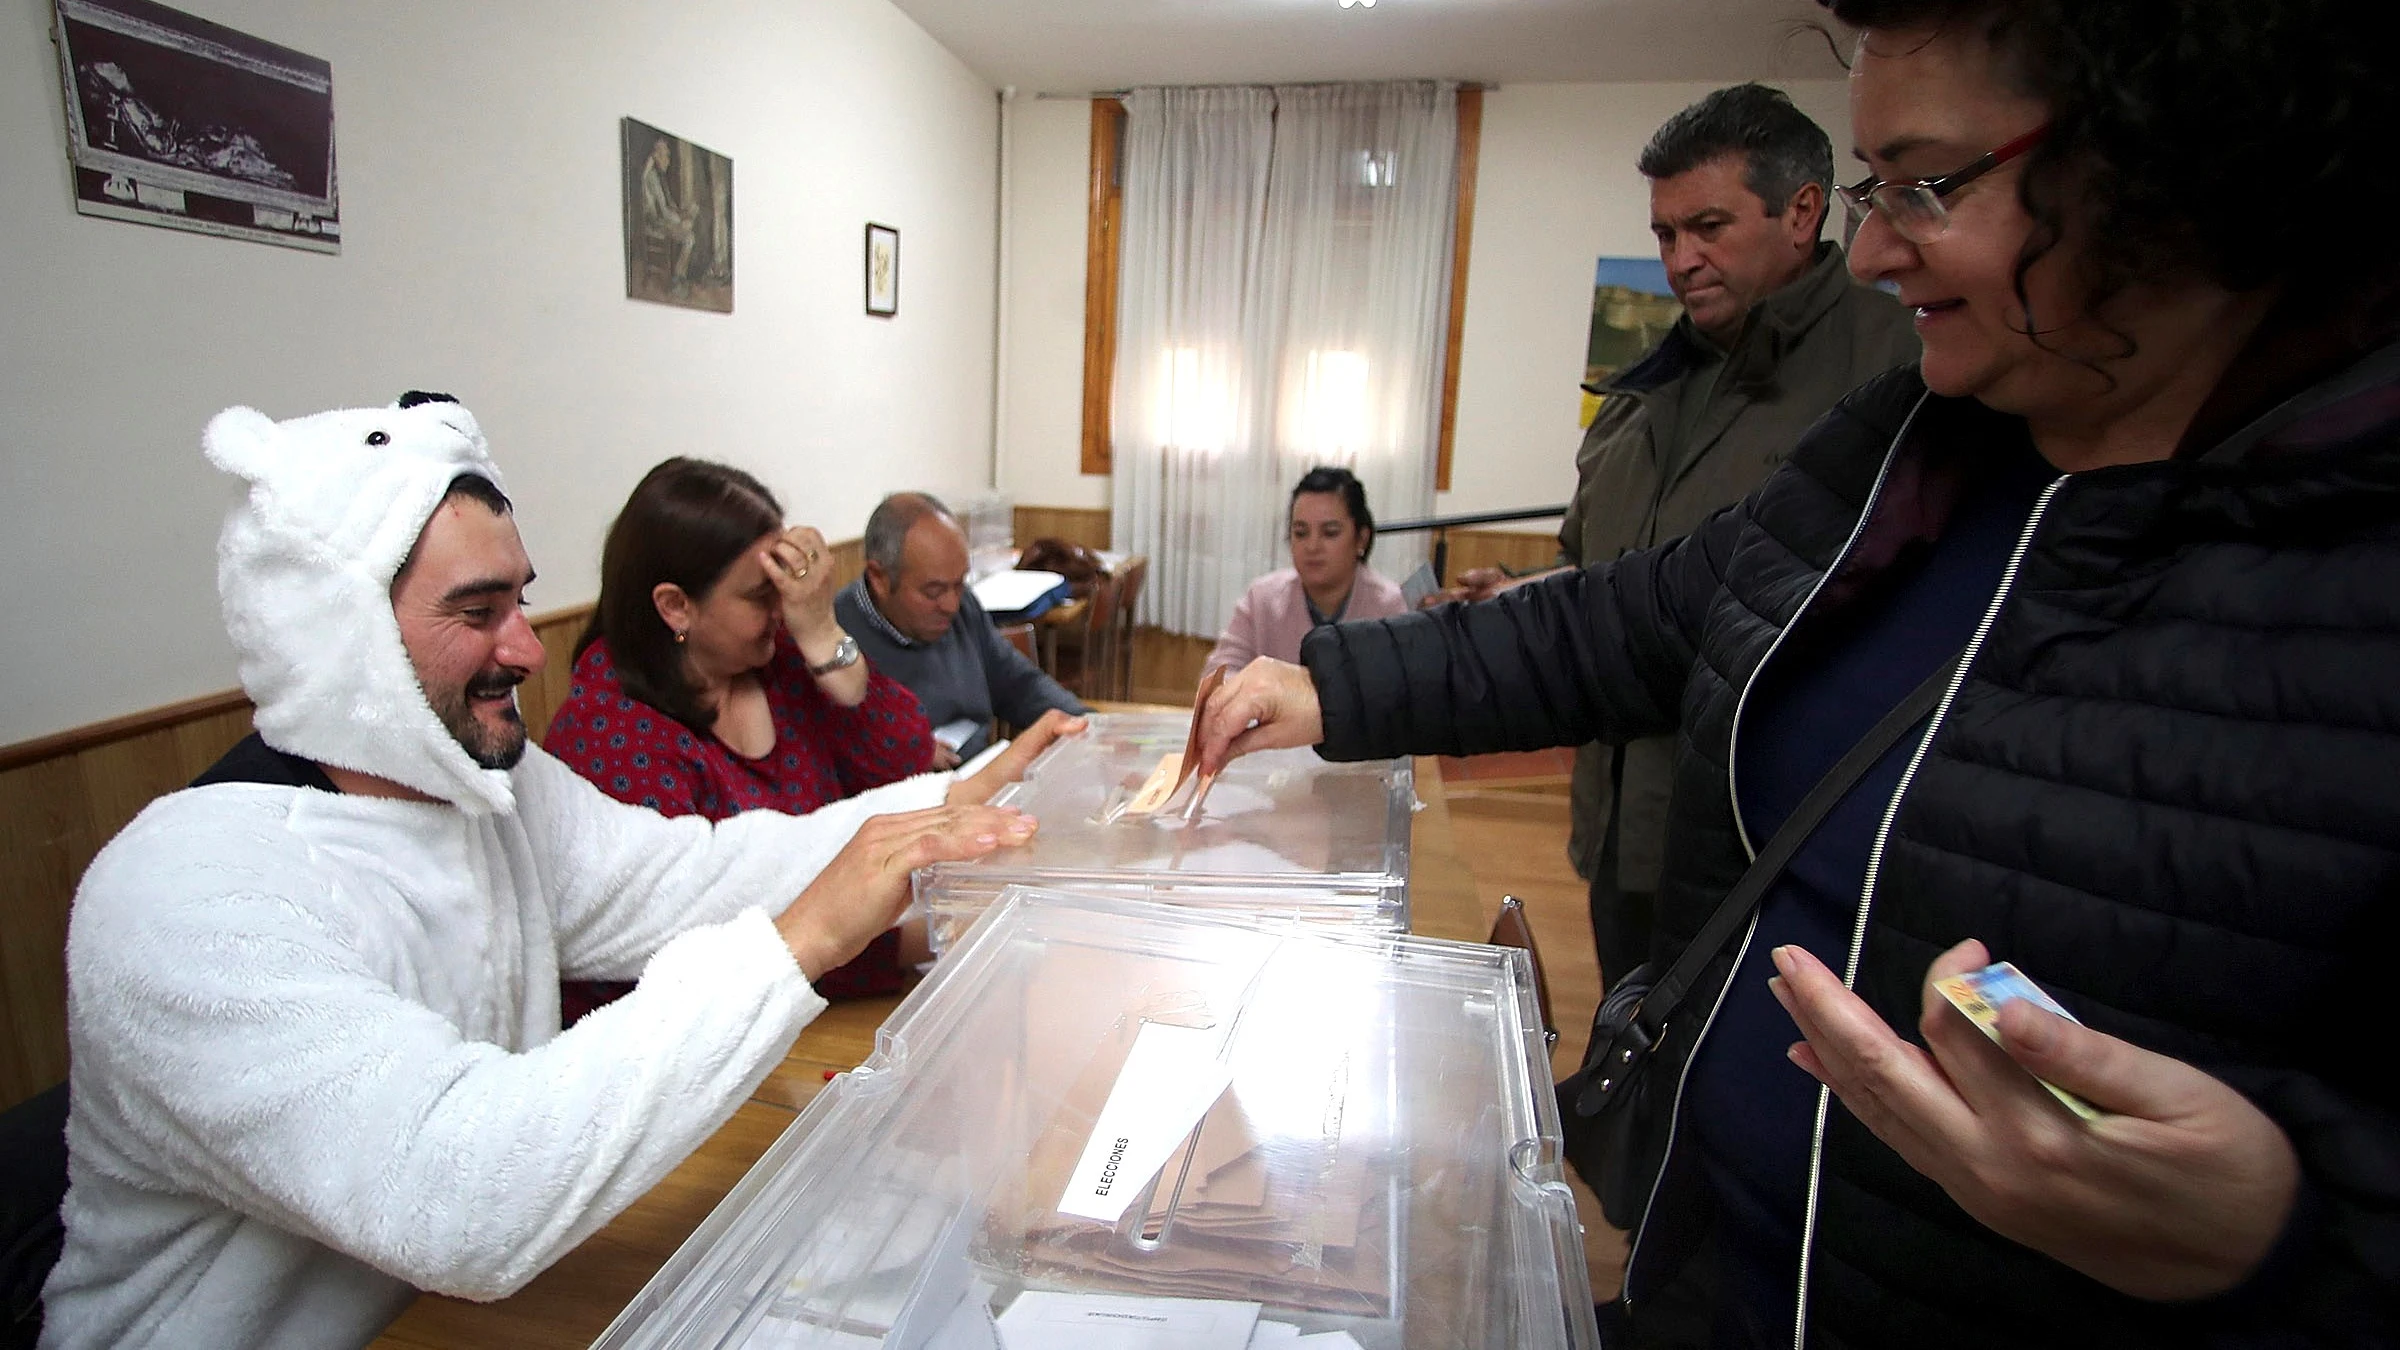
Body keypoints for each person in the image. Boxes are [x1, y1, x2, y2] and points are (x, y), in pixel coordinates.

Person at [1195, 0, 2400, 1342]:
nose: (1876, 246)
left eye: (1928, 184)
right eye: (1875, 189)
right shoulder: (1916, 443)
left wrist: (2291, 1232)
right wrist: (1337, 685)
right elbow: (1642, 616)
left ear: (2179, 164)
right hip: (1716, 1271)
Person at [40, 394, 1059, 1350]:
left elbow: (690, 873)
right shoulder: (186, 898)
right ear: (336, 636)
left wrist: (944, 805)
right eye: (478, 612)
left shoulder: (492, 792)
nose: (530, 648)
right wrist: (797, 943)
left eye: (520, 602)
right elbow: (458, 1194)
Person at [1445, 83, 1918, 994]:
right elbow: (1596, 574)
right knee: (1636, 1048)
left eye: (1708, 226)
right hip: (1628, 815)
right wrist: (1521, 593)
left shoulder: (1895, 364)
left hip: (1771, 830)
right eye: (1665, 235)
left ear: (1803, 212)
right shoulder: (1643, 390)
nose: (1681, 259)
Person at [544, 459, 1077, 1006]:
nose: (783, 609)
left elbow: (905, 756)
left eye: (787, 586)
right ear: (676, 606)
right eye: (760, 595)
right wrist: (917, 940)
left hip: (834, 983)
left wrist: (822, 632)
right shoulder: (611, 734)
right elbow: (691, 952)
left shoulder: (777, 663)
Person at [835, 492, 1089, 764]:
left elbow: (1018, 683)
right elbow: (838, 750)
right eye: (934, 591)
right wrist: (906, 750)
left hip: (978, 771)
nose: (951, 604)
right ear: (880, 579)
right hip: (910, 794)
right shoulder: (836, 638)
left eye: (959, 584)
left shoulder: (962, 606)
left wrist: (1088, 725)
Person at [1206, 467, 1409, 674]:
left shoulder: (1390, 608)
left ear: (1361, 538)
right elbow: (1219, 676)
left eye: (1330, 533)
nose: (1312, 546)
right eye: (1301, 533)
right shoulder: (1262, 598)